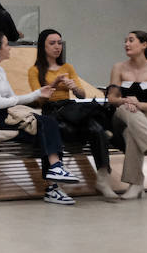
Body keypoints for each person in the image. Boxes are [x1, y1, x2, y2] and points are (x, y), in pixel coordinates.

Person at [0, 31, 79, 205]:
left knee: (47, 128)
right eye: (6, 44)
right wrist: (36, 94)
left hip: (4, 115)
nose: (10, 48)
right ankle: (55, 176)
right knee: (47, 126)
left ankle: (54, 182)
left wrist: (36, 95)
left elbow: (12, 99)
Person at [30, 28, 114, 198]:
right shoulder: (35, 70)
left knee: (96, 130)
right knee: (54, 130)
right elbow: (39, 99)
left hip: (70, 108)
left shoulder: (67, 67)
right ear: (43, 46)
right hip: (51, 109)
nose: (57, 47)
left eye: (59, 43)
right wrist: (54, 84)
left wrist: (74, 87)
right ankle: (53, 182)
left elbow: (82, 94)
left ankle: (103, 178)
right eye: (52, 43)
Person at [106, 30, 147, 200]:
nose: (126, 44)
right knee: (126, 108)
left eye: (131, 40)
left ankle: (136, 185)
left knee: (132, 134)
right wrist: (125, 101)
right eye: (125, 41)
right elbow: (112, 98)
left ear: (144, 45)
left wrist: (139, 104)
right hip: (122, 117)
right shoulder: (118, 68)